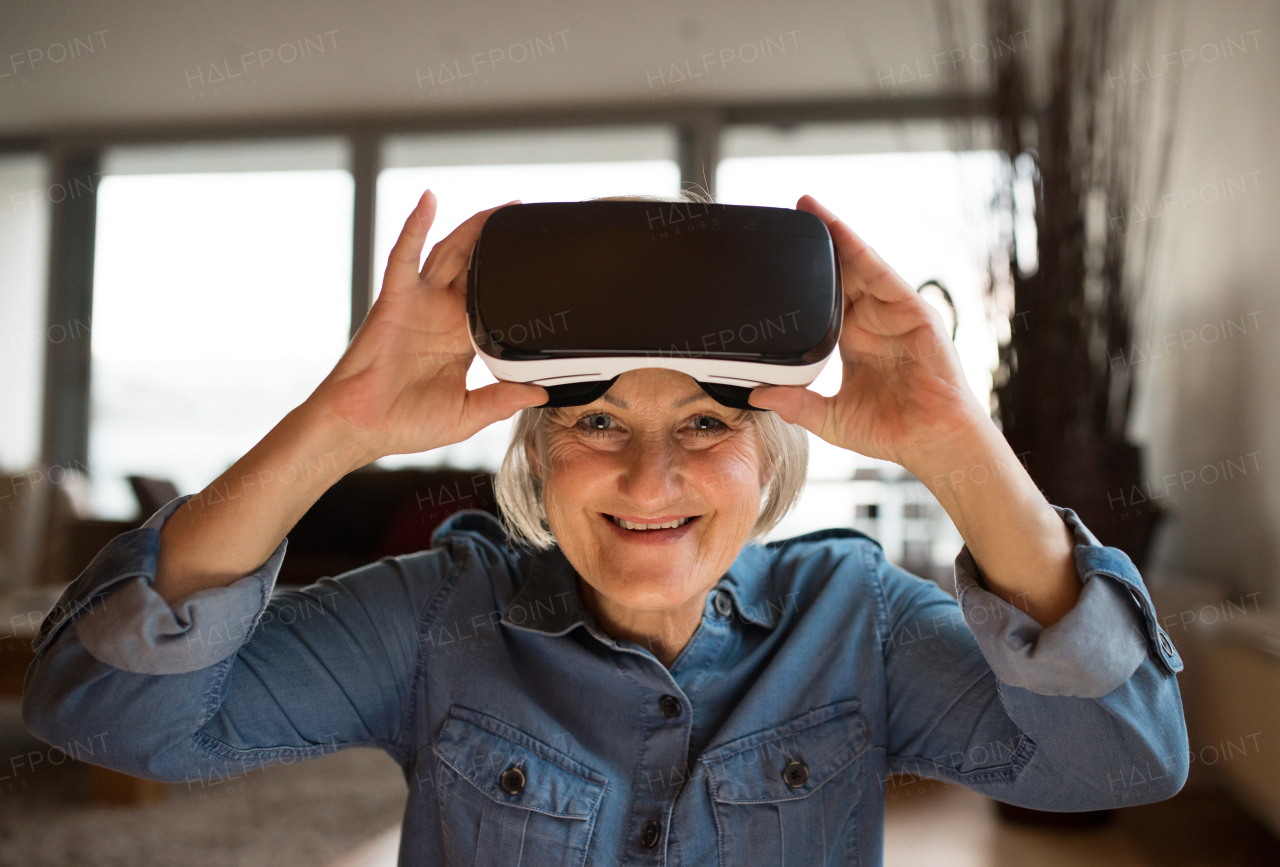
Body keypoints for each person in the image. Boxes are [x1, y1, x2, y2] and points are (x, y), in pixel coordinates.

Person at [23, 190, 1188, 866]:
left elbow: (1119, 757)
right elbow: (108, 713)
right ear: (532, 449)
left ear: (769, 447)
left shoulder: (857, 625)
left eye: (699, 420)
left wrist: (951, 441)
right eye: (593, 420)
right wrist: (337, 425)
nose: (648, 474)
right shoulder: (438, 621)